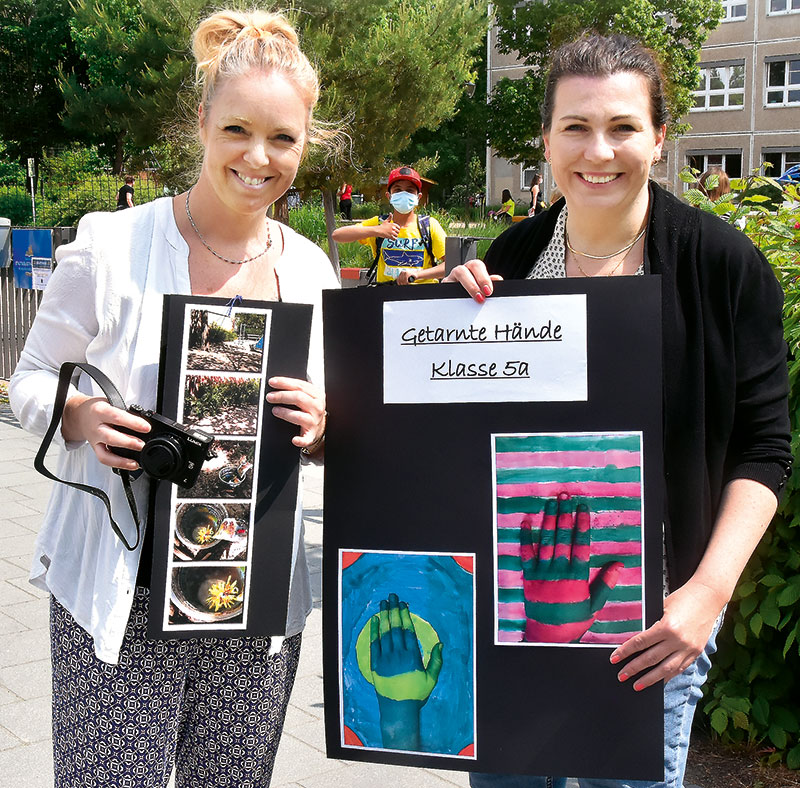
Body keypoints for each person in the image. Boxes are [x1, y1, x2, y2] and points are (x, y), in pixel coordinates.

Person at [444, 33, 791, 788]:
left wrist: (707, 595)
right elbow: (457, 429)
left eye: (624, 126)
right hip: (515, 612)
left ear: (660, 138)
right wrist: (442, 325)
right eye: (575, 126)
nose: (598, 150)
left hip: (656, 622)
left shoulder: (723, 266)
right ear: (545, 140)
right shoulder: (507, 260)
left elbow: (765, 450)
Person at [9, 9, 338, 787]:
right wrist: (77, 416)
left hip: (251, 601)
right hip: (122, 591)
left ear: (307, 143)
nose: (259, 157)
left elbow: (331, 428)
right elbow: (29, 379)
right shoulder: (112, 245)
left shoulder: (314, 270)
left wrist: (323, 429)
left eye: (283, 138)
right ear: (201, 122)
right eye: (237, 130)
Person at [331, 165, 447, 285]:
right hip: (386, 297)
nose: (403, 194)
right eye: (397, 190)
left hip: (422, 298)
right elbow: (337, 235)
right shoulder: (379, 223)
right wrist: (377, 230)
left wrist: (417, 275)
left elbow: (450, 264)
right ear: (389, 196)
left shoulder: (429, 225)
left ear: (418, 197)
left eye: (409, 190)